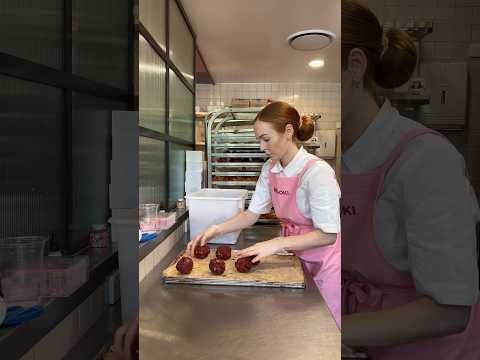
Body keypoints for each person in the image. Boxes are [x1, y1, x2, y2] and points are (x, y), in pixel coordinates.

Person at [341, 1, 480, 359]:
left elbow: (450, 309)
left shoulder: (426, 161)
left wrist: (331, 330)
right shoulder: (343, 159)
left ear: (355, 66)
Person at [187, 101, 341, 328]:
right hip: (293, 260)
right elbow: (252, 215)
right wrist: (216, 229)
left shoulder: (317, 172)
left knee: (317, 331)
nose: (261, 147)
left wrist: (278, 243)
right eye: (258, 139)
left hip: (322, 265)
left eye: (266, 139)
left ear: (288, 132)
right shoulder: (270, 169)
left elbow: (329, 235)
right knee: (290, 328)